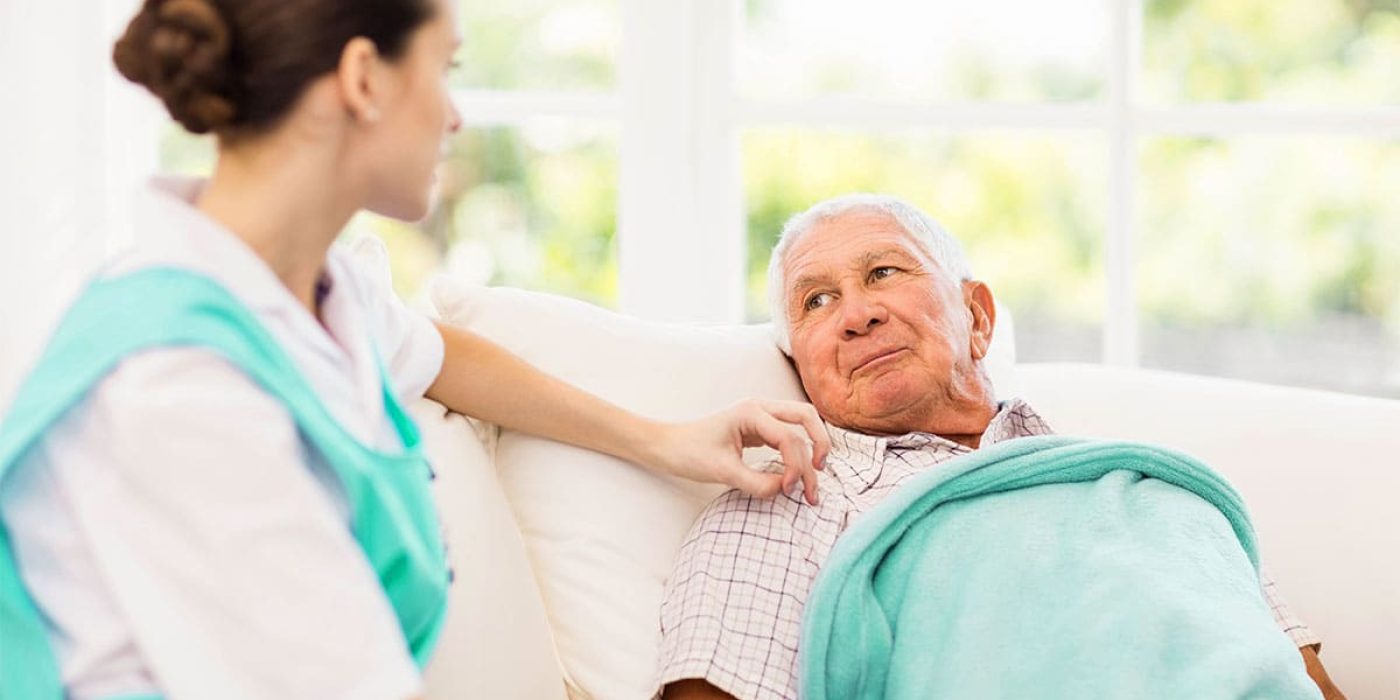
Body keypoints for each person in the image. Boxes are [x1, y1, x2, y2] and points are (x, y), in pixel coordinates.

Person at [0, 1, 831, 698]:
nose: (456, 114)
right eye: (446, 70)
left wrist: (667, 440)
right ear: (364, 78)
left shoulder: (316, 291)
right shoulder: (179, 391)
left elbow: (444, 356)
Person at [654, 194, 1346, 700]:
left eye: (884, 273)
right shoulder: (784, 506)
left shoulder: (1153, 491)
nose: (857, 314)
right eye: (815, 301)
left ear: (977, 316)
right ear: (801, 366)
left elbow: (1303, 680)